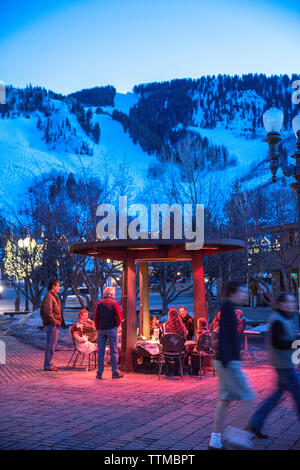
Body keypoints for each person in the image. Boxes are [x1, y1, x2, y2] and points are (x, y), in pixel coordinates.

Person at [209, 281, 255, 450]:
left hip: (223, 361)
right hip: (229, 363)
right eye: (243, 291)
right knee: (248, 398)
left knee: (224, 400)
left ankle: (215, 440)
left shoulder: (225, 308)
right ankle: (237, 437)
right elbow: (226, 338)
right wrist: (231, 363)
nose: (245, 294)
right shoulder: (229, 310)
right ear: (233, 293)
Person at [247, 292, 300, 439]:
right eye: (289, 302)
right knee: (298, 396)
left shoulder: (285, 318)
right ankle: (255, 423)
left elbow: (288, 338)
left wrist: (296, 340)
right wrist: (296, 343)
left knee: (275, 397)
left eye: (293, 302)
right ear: (282, 304)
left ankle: (255, 424)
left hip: (284, 364)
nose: (292, 304)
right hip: (284, 365)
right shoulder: (277, 320)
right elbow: (278, 343)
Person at [94, 286, 123, 379]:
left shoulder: (99, 303)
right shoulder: (115, 303)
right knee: (114, 351)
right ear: (111, 294)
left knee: (101, 351)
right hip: (111, 328)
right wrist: (118, 326)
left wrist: (97, 327)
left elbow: (96, 317)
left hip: (101, 329)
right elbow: (119, 317)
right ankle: (115, 372)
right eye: (114, 293)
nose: (114, 295)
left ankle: (99, 372)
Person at [40, 279, 66, 371]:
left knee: (51, 345)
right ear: (53, 286)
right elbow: (47, 313)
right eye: (58, 286)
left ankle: (49, 364)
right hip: (52, 325)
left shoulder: (52, 296)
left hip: (53, 325)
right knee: (51, 345)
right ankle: (48, 365)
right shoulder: (49, 297)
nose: (59, 287)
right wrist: (55, 321)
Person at [160, 308, 187, 375]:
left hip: (166, 350)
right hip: (178, 350)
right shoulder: (182, 327)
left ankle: (168, 367)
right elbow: (184, 339)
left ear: (169, 315)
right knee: (182, 349)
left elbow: (161, 339)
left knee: (167, 346)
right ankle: (177, 368)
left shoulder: (164, 326)